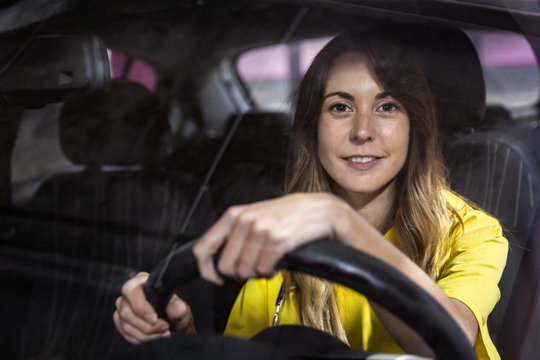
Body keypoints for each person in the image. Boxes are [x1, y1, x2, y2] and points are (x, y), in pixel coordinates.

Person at [113, 27, 508, 359]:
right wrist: (180, 330)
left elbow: (447, 339)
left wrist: (342, 224)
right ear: (312, 129)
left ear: (414, 128)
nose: (362, 131)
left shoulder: (469, 232)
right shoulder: (282, 244)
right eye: (340, 108)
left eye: (387, 107)